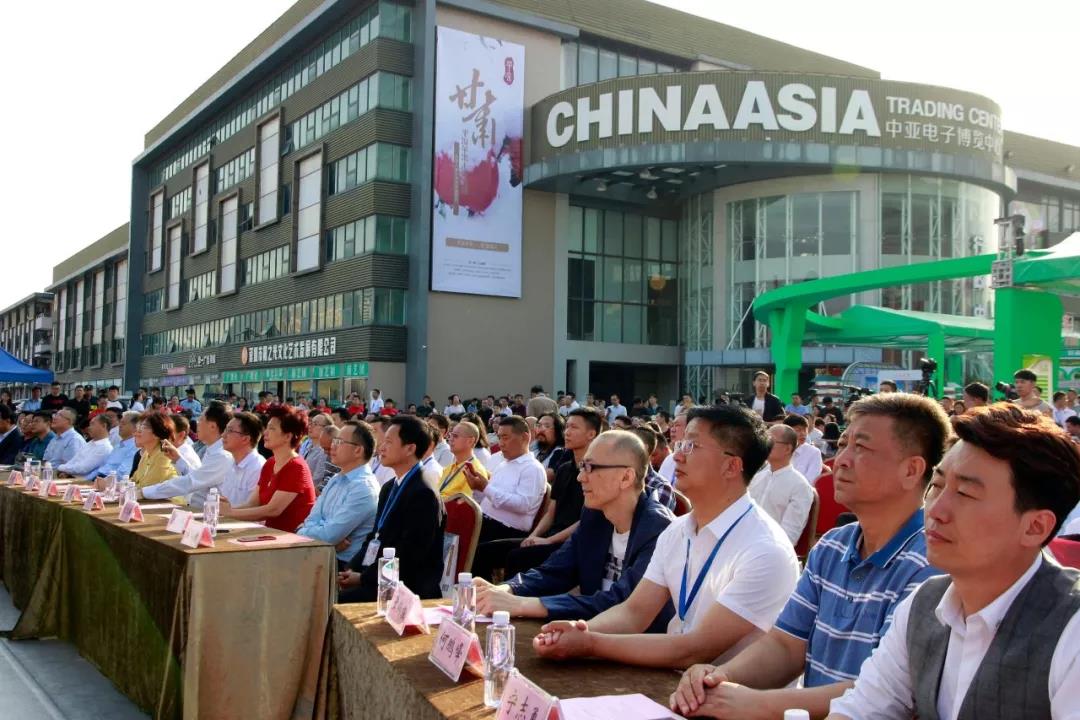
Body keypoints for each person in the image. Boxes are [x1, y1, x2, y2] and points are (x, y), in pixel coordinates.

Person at [671, 392, 950, 718]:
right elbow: (785, 646)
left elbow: (886, 690)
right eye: (843, 444)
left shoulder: (931, 564)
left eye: (861, 447)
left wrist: (753, 703)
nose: (841, 460)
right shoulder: (833, 546)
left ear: (911, 470)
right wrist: (719, 678)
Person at [826, 404, 1080, 720]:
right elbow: (861, 710)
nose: (936, 510)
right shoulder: (925, 603)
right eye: (937, 485)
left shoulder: (1070, 628)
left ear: (1035, 527)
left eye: (966, 494)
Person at [532, 405, 799, 669]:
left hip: (731, 700)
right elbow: (633, 613)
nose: (677, 456)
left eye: (691, 447)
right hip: (673, 681)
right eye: (680, 444)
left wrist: (590, 643)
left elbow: (695, 649)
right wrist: (578, 631)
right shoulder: (677, 531)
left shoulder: (764, 550)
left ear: (731, 466)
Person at [474, 431, 674, 628]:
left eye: (590, 468)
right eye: (581, 467)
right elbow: (556, 570)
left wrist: (525, 604)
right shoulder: (595, 515)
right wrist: (507, 590)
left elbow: (622, 603)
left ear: (626, 477)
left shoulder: (658, 529)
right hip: (592, 635)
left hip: (637, 647)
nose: (580, 478)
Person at [337, 415, 445, 601]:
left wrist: (363, 578)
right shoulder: (390, 487)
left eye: (388, 442)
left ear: (410, 448)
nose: (381, 447)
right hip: (381, 575)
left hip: (405, 587)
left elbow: (410, 556)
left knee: (336, 601)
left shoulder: (423, 493)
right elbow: (374, 537)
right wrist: (352, 568)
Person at [496, 407, 599, 577]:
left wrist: (549, 540)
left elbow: (587, 519)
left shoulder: (596, 472)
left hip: (573, 543)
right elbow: (552, 512)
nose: (567, 432)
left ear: (591, 434)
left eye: (574, 427)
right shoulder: (564, 469)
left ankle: (510, 601)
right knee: (484, 552)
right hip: (549, 537)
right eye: (567, 427)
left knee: (516, 557)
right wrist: (534, 536)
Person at [297, 420, 381, 566]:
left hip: (343, 567)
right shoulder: (336, 479)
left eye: (340, 442)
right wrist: (315, 530)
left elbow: (330, 535)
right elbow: (313, 519)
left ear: (358, 450)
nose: (333, 446)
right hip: (322, 556)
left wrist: (302, 532)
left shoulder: (363, 488)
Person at [221, 406, 316, 532]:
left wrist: (230, 513)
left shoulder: (296, 467)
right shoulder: (270, 463)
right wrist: (223, 511)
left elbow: (273, 510)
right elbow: (253, 503)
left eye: (272, 428)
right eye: (267, 427)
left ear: (288, 436)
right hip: (270, 534)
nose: (265, 432)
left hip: (292, 540)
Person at [465, 415, 547, 547]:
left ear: (525, 437)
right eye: (499, 438)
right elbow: (489, 497)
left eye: (505, 437)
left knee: (468, 545)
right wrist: (476, 486)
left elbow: (523, 505)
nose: (500, 443)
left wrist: (485, 488)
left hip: (507, 530)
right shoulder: (503, 464)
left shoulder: (532, 468)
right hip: (486, 521)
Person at [141, 401, 233, 508]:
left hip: (208, 515)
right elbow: (198, 479)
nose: (197, 423)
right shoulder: (213, 450)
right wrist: (178, 460)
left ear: (212, 426)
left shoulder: (222, 455)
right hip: (197, 510)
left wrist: (144, 492)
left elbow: (190, 482)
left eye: (201, 419)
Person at [748, 424, 814, 544]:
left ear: (787, 449)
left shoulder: (800, 486)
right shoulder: (757, 477)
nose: (765, 445)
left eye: (770, 441)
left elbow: (789, 536)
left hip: (771, 549)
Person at [217, 411, 267, 506]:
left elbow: (254, 509)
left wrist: (229, 511)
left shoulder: (258, 468)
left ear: (245, 439)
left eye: (230, 431)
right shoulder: (230, 463)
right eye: (225, 430)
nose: (223, 435)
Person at [630, 425, 677, 512]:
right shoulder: (618, 478)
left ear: (643, 449)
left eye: (626, 446)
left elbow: (652, 522)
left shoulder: (661, 487)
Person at [437, 420, 489, 498]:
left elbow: (464, 506)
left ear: (470, 441)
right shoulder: (449, 468)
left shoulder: (475, 472)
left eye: (455, 436)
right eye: (450, 435)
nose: (450, 439)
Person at [131, 413, 180, 489]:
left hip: (168, 500)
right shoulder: (147, 453)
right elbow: (134, 480)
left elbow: (149, 485)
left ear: (156, 434)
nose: (136, 433)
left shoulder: (164, 454)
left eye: (142, 427)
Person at [87, 411, 140, 481]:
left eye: (123, 423)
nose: (120, 426)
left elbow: (123, 473)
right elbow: (103, 468)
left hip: (109, 482)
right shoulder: (118, 445)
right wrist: (86, 480)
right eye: (120, 422)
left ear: (135, 427)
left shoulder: (135, 446)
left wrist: (102, 482)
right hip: (99, 478)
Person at [784, 414, 824, 485]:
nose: (803, 433)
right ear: (787, 431)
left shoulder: (814, 452)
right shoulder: (778, 450)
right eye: (798, 430)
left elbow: (810, 481)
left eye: (805, 429)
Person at [533, 412, 569, 479]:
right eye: (539, 425)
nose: (541, 430)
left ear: (558, 431)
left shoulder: (560, 452)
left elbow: (548, 476)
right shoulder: (533, 447)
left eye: (547, 426)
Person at [301, 413, 332, 489]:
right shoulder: (308, 446)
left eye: (315, 424)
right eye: (310, 423)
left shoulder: (324, 451)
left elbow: (317, 480)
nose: (310, 426)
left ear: (326, 429)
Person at [658, 412, 688, 483]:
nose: (672, 429)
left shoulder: (698, 461)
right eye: (672, 426)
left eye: (677, 425)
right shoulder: (669, 459)